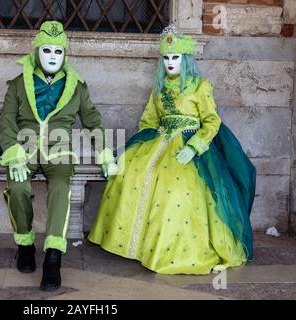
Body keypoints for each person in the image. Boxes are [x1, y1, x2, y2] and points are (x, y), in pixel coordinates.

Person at [88, 25, 256, 275]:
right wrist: (145, 142)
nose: (170, 62)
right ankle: (134, 245)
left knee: (177, 188)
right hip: (158, 141)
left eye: (175, 57)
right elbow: (148, 120)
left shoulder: (200, 87)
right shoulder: (159, 88)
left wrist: (195, 146)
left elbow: (212, 121)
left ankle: (171, 250)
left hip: (190, 147)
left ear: (185, 59)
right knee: (128, 174)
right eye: (165, 57)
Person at [0, 21, 117, 290]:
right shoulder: (18, 84)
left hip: (59, 150)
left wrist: (105, 154)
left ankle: (53, 256)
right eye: (47, 50)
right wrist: (14, 154)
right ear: (37, 51)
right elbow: (5, 120)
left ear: (65, 54)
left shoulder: (77, 86)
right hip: (23, 148)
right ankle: (25, 244)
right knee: (16, 188)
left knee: (62, 188)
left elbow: (92, 122)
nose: (52, 56)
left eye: (58, 51)